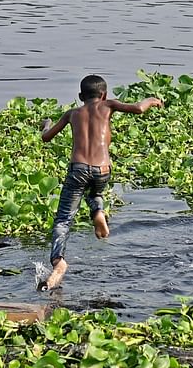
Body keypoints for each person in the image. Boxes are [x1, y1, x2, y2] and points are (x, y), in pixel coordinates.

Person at [40, 75, 163, 290]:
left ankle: (58, 261)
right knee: (94, 192)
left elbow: (46, 137)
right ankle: (98, 211)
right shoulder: (108, 105)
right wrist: (151, 100)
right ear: (104, 94)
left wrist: (45, 125)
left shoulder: (72, 113)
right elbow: (138, 109)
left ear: (80, 96)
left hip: (78, 169)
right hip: (103, 170)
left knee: (63, 220)